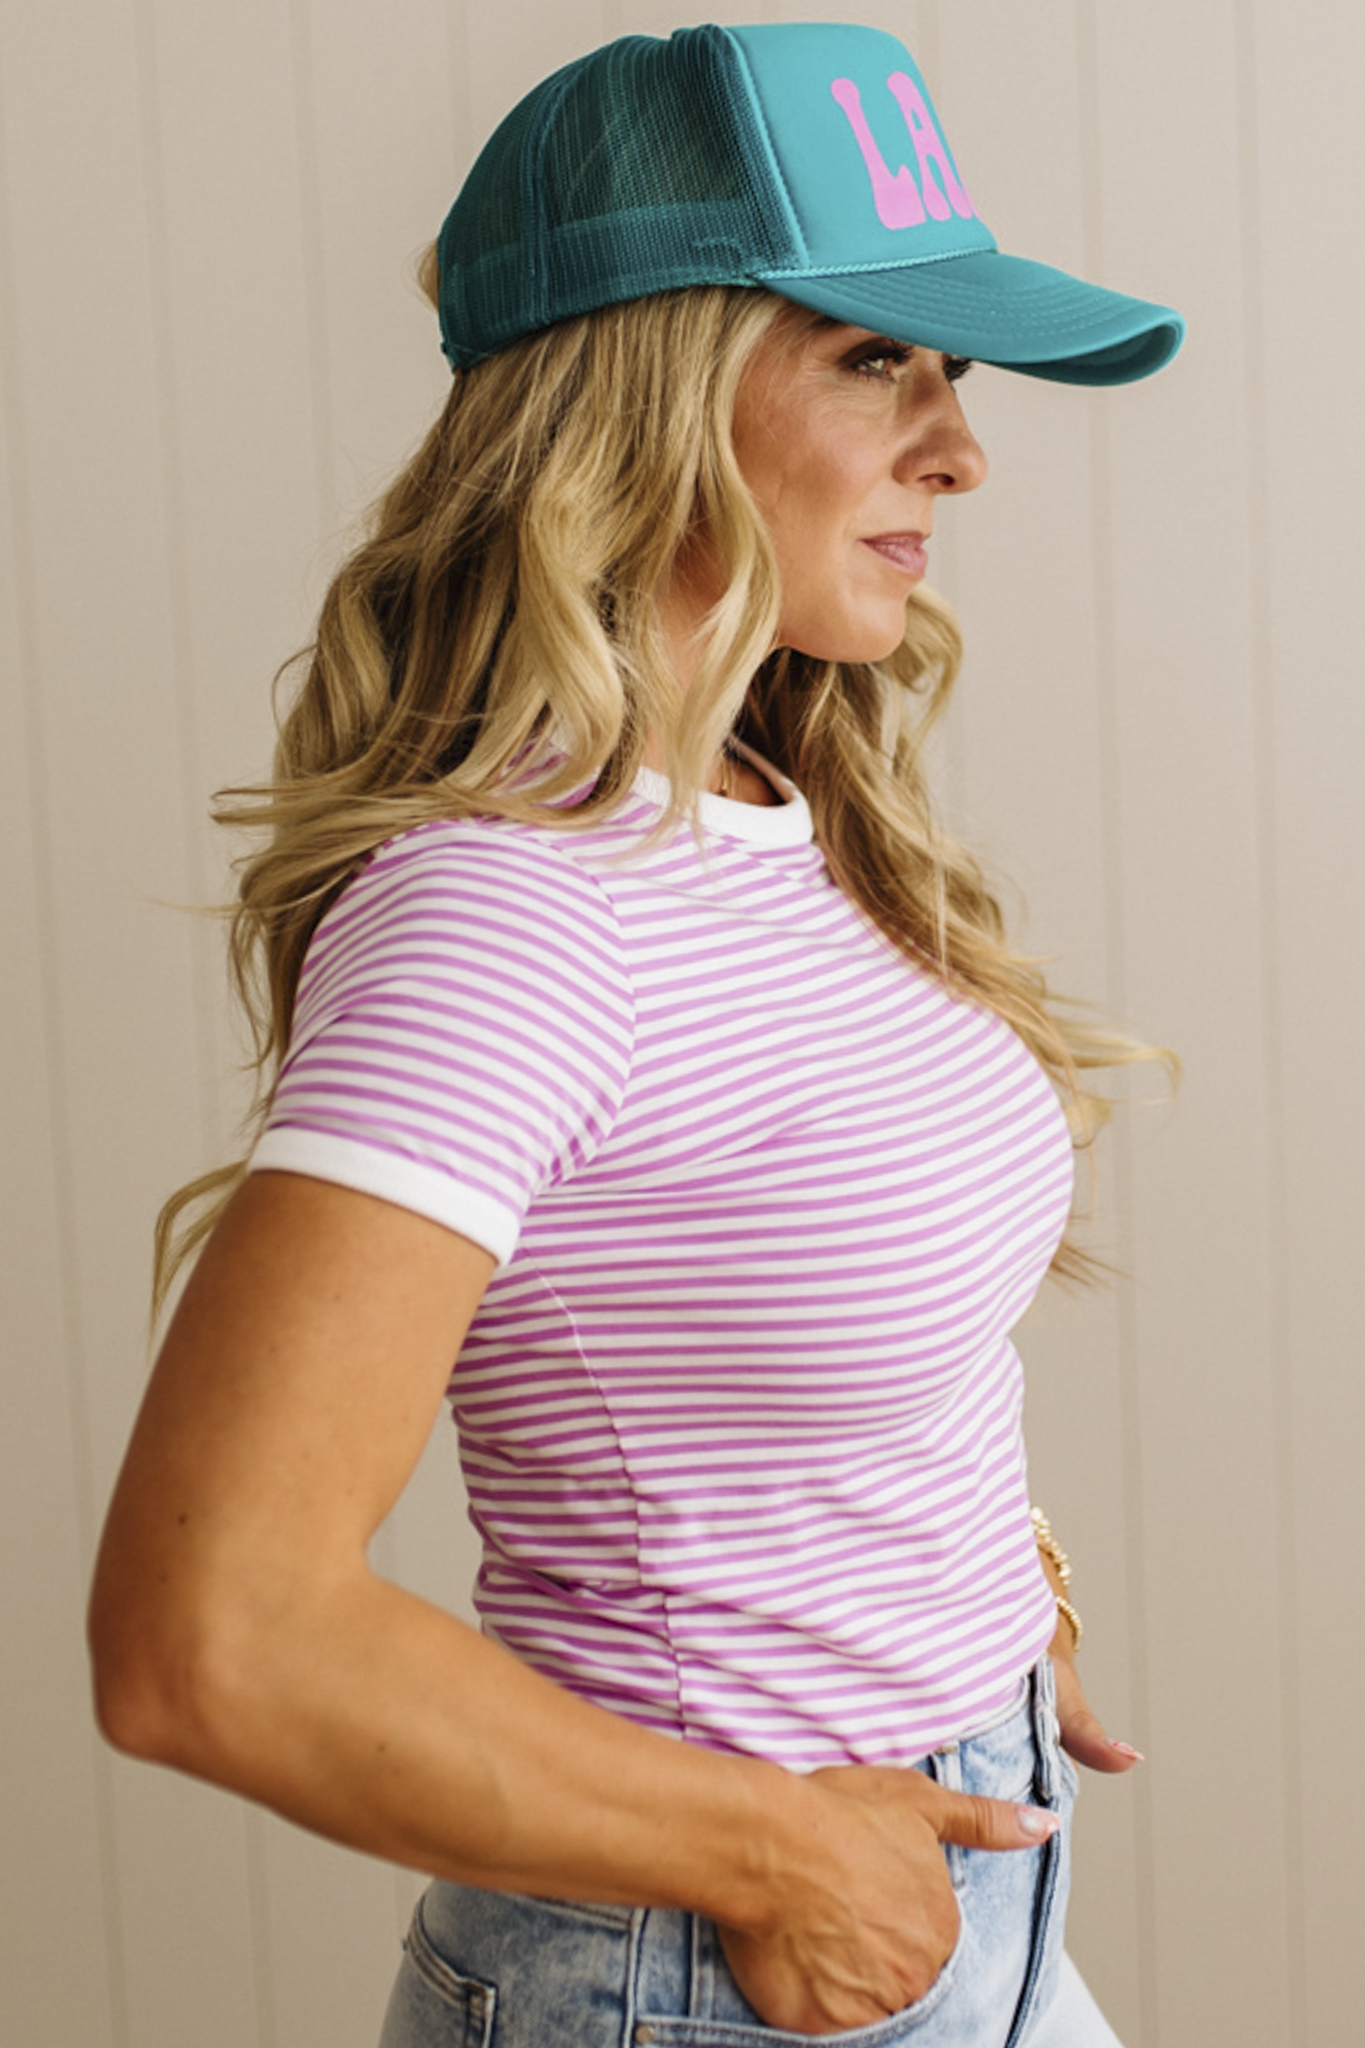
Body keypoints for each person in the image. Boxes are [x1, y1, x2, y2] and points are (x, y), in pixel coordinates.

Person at [88, 21, 1182, 2048]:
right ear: (650, 381)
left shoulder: (779, 807)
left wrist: (955, 1565)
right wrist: (778, 1858)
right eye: (879, 360)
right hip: (718, 1963)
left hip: (946, 1889)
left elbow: (756, 1291)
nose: (958, 448)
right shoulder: (502, 914)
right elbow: (209, 1633)